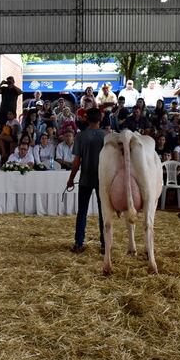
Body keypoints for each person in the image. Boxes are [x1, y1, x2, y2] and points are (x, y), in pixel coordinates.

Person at [67, 108, 106, 254]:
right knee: (104, 212)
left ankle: (78, 243)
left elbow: (77, 161)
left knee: (82, 212)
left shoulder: (81, 136)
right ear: (100, 119)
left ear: (86, 119)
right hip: (102, 179)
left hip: (85, 179)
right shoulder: (105, 136)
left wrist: (71, 179)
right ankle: (104, 244)